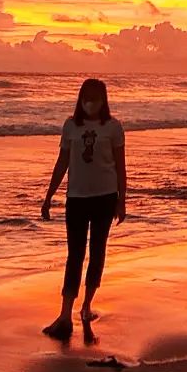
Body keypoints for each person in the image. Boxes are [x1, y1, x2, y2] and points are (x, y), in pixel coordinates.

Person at [39, 77, 127, 340]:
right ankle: (65, 314)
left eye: (96, 97)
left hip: (105, 197)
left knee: (97, 251)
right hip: (76, 197)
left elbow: (120, 166)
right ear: (80, 99)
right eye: (86, 97)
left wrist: (122, 199)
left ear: (103, 100)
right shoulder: (70, 126)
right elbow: (62, 162)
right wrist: (48, 196)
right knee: (74, 255)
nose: (91, 102)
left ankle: (86, 305)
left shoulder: (113, 127)